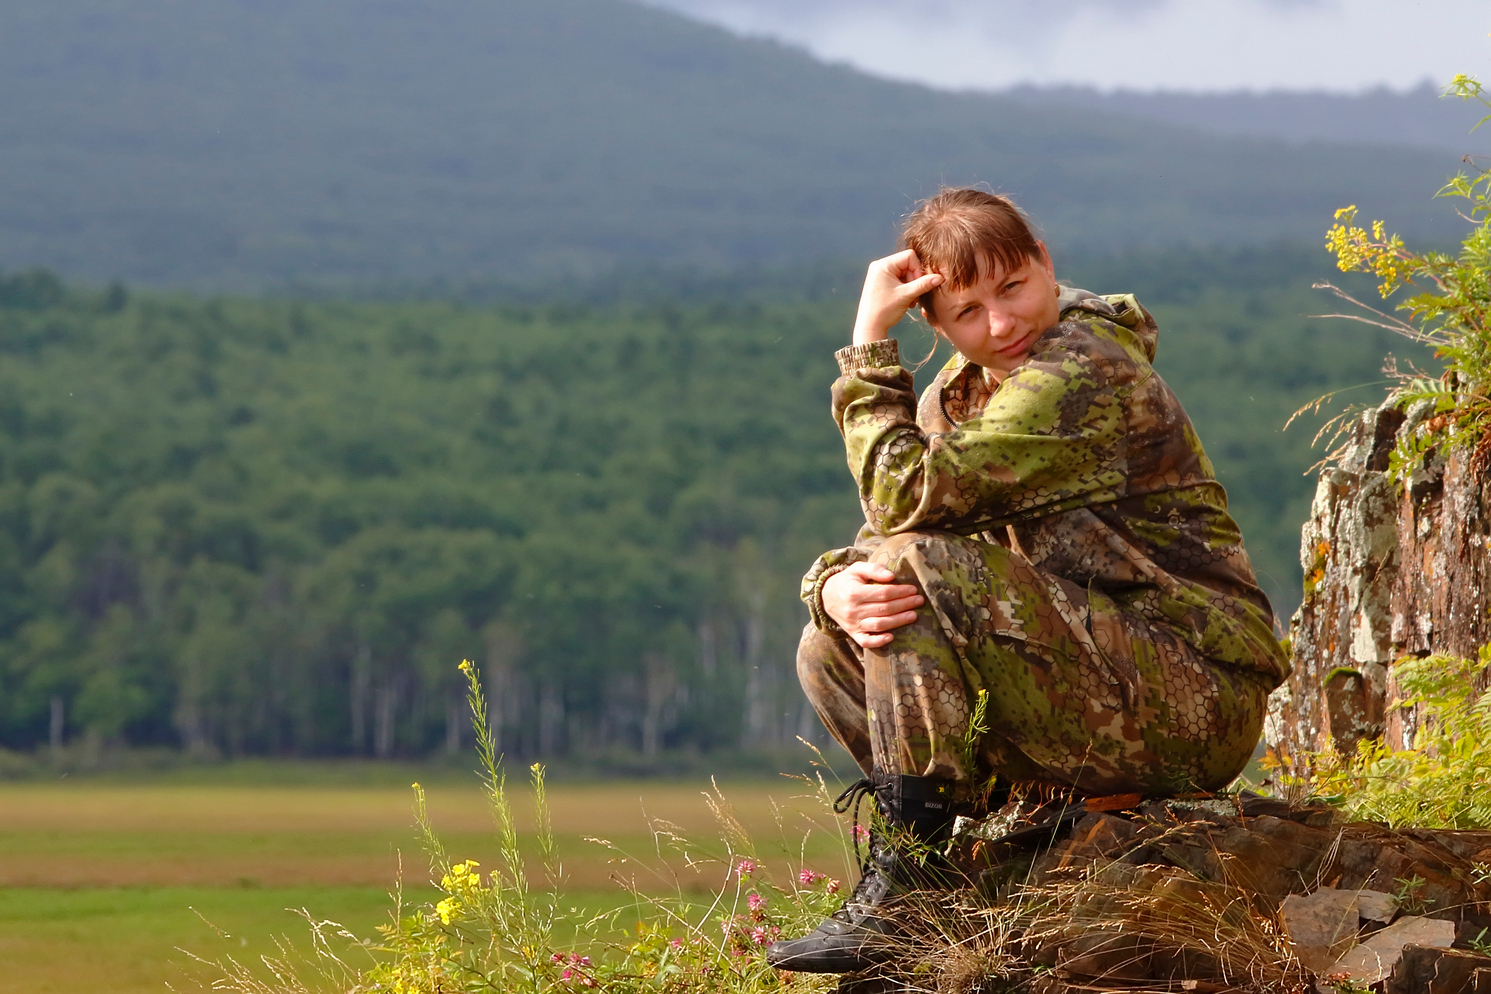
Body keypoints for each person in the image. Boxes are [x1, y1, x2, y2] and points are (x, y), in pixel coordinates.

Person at [766, 188, 1289, 974]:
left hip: (1194, 693)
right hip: (1094, 676)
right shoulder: (959, 392)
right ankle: (953, 872)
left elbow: (905, 498)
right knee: (829, 644)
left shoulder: (1085, 370)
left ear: (1045, 263)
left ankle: (907, 875)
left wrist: (868, 346)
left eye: (1012, 288)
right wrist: (832, 587)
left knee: (917, 573)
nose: (1000, 324)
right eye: (968, 312)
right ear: (937, 327)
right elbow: (891, 536)